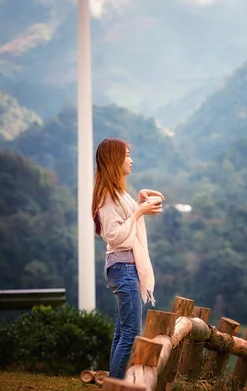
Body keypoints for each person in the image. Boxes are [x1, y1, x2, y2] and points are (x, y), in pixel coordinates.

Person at [91, 137, 164, 379]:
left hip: (124, 266)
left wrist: (139, 200)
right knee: (131, 332)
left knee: (122, 332)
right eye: (127, 155)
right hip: (123, 266)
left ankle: (113, 381)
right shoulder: (107, 196)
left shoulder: (117, 193)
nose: (131, 160)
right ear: (115, 159)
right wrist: (140, 210)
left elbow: (127, 218)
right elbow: (115, 235)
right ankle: (117, 385)